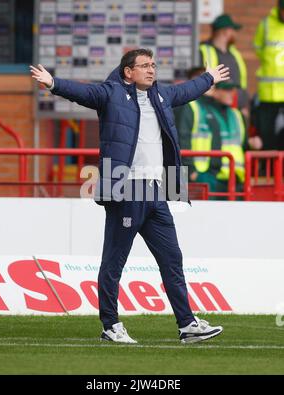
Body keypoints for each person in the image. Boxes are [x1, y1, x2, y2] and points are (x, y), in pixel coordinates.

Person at [30, 48, 229, 344]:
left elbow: (187, 91)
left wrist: (209, 77)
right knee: (114, 262)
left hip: (156, 191)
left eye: (153, 65)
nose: (151, 70)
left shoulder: (161, 96)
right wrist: (53, 82)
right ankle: (110, 325)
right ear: (128, 72)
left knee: (172, 259)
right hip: (127, 189)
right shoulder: (110, 94)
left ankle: (187, 325)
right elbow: (82, 93)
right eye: (145, 66)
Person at [175, 68, 248, 199]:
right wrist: (191, 172)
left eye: (233, 89)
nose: (231, 93)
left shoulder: (236, 114)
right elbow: (182, 140)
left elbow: (243, 145)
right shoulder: (196, 107)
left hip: (234, 178)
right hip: (205, 175)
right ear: (214, 90)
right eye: (226, 89)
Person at [199, 14, 249, 118]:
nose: (235, 34)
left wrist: (244, 106)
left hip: (236, 111)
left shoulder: (234, 53)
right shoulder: (203, 51)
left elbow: (241, 84)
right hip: (212, 110)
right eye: (233, 30)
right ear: (225, 31)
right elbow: (198, 83)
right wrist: (217, 94)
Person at [253, 0, 284, 150]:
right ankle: (267, 168)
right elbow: (258, 49)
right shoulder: (265, 25)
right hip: (268, 92)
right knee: (267, 134)